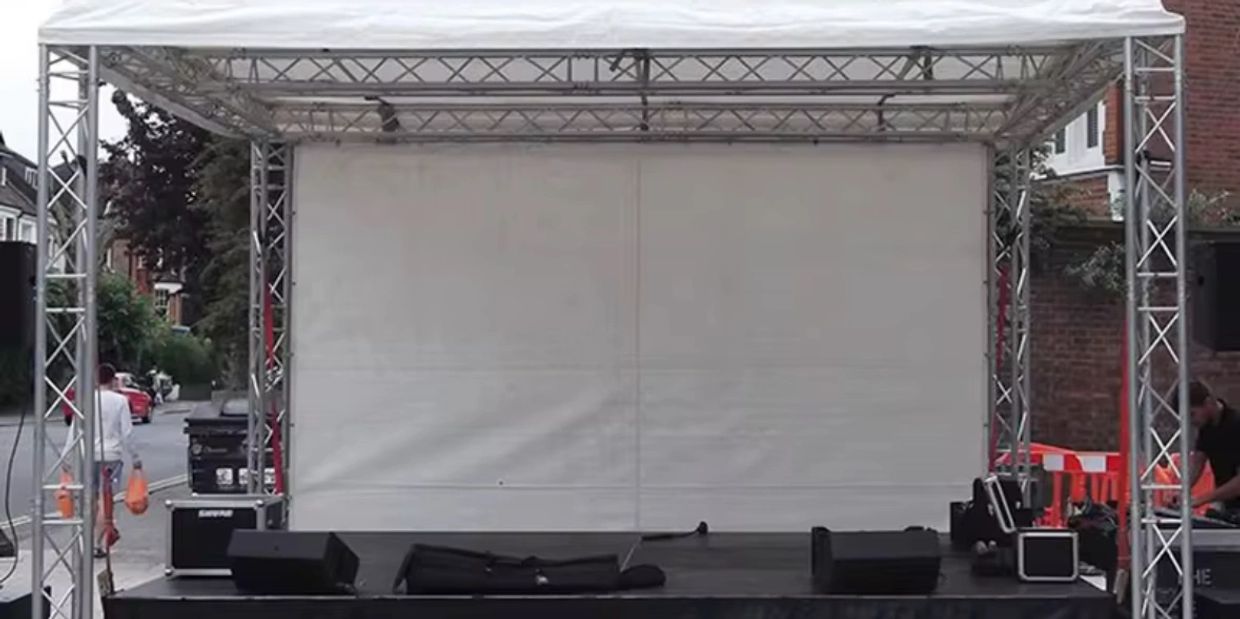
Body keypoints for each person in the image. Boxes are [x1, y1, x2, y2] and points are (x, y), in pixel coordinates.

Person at [64, 363, 143, 557]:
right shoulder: (120, 401)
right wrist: (135, 458)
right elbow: (127, 432)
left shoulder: (85, 400)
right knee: (106, 499)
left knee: (89, 499)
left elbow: (75, 429)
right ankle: (98, 543)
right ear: (112, 379)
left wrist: (66, 456)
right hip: (111, 456)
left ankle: (86, 541)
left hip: (88, 455)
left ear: (95, 379)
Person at [1184, 381, 1240, 512]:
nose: (1192, 421)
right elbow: (1198, 462)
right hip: (1230, 506)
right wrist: (1180, 490)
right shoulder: (1206, 428)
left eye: (1192, 414)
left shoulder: (1236, 425)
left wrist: (1201, 499)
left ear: (1208, 403)